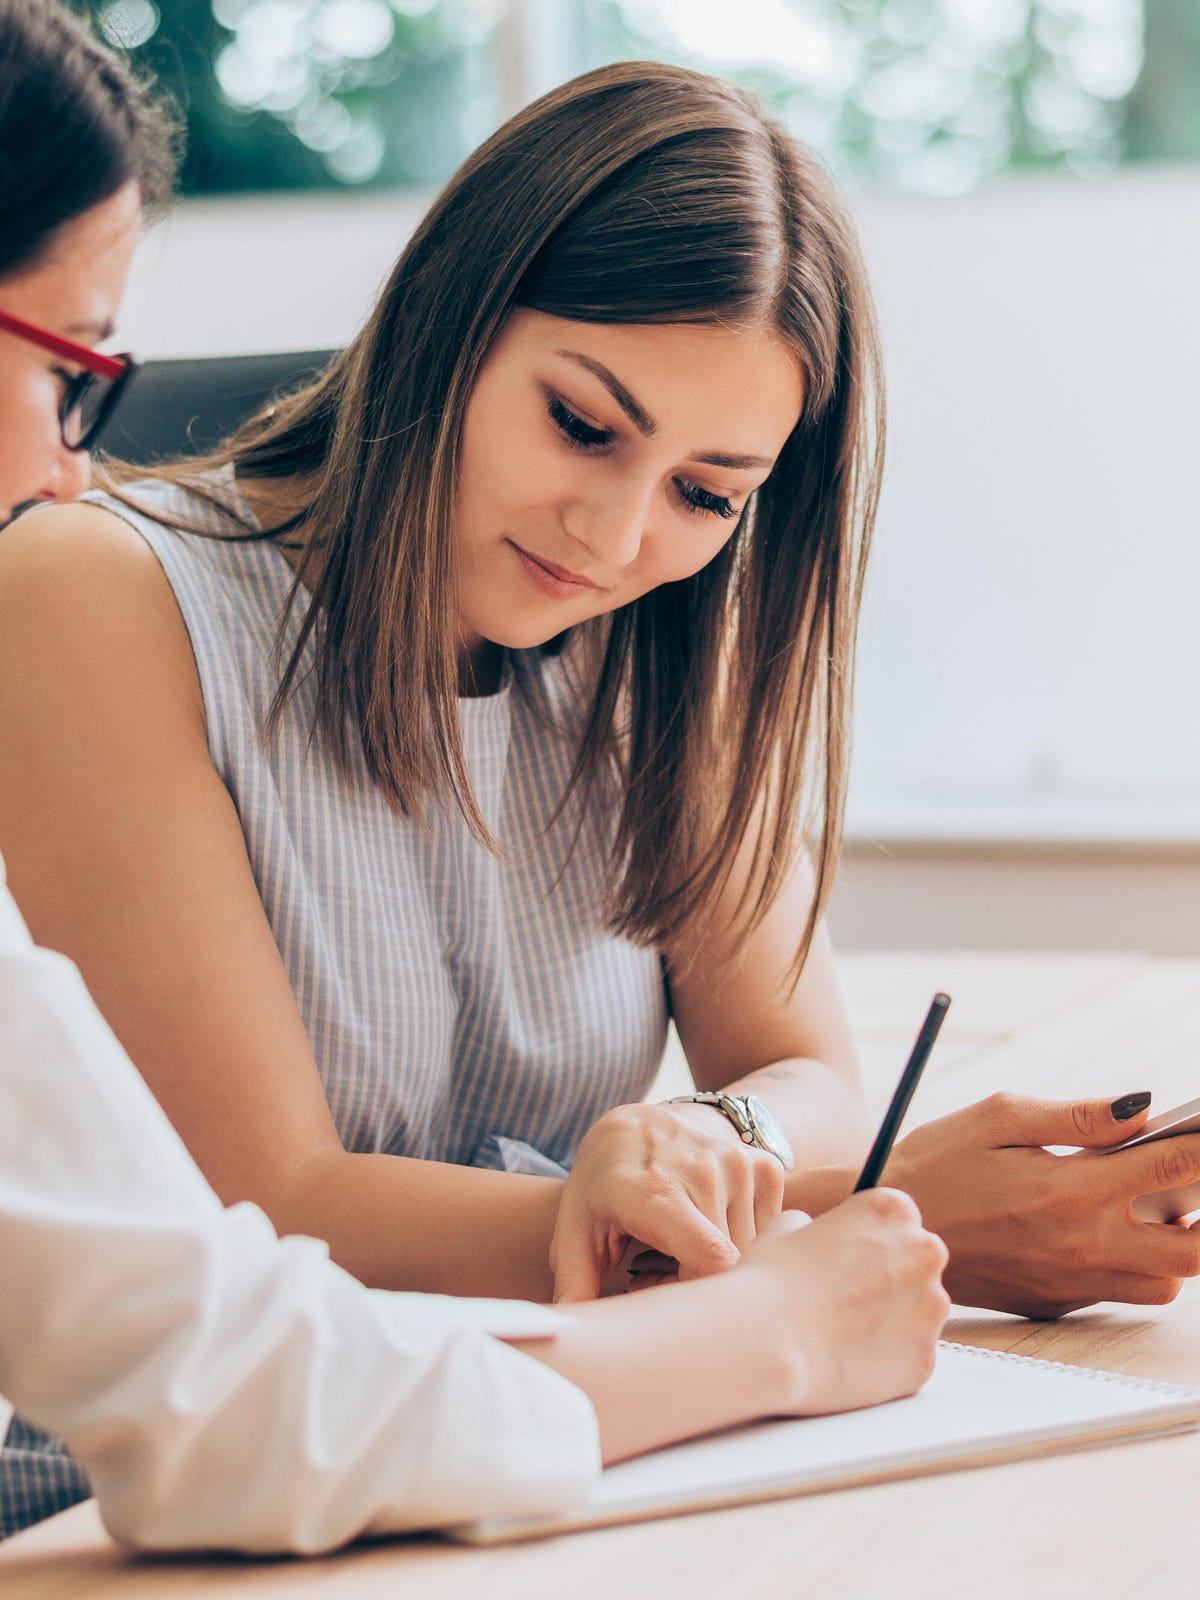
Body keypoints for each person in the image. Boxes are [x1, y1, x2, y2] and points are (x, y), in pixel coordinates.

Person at [2, 0, 1197, 1540]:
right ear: (448, 324)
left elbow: (813, 1076)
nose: (615, 537)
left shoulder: (659, 629)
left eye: (709, 491)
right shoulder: (86, 591)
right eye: (580, 425)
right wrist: (808, 1233)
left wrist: (718, 1143)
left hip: (578, 1426)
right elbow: (271, 1213)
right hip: (156, 1498)